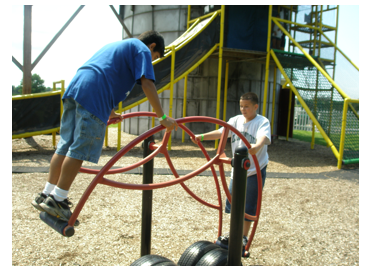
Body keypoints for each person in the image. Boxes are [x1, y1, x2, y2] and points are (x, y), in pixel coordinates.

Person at [31, 30, 178, 224]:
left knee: (65, 145)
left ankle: (46, 194)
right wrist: (163, 117)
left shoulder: (119, 46)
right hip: (94, 94)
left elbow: (104, 73)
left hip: (75, 88)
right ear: (152, 46)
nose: (152, 60)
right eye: (155, 56)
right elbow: (147, 84)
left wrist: (109, 112)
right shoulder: (142, 49)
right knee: (79, 148)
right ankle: (57, 199)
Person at [190, 92, 270, 256]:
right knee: (233, 202)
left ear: (256, 106)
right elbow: (222, 132)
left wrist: (256, 146)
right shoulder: (235, 120)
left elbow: (263, 137)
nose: (243, 109)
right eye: (241, 106)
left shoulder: (262, 121)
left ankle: (243, 238)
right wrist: (202, 137)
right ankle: (233, 234)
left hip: (254, 168)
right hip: (238, 169)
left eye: (247, 106)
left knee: (248, 205)